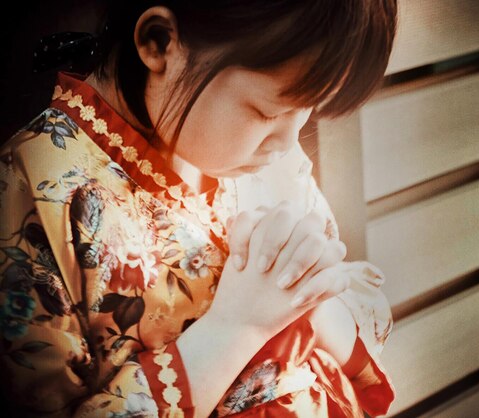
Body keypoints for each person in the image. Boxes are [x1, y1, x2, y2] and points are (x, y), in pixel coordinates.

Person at [0, 1, 397, 417]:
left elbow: (344, 291)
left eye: (307, 111)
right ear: (160, 43)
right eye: (267, 112)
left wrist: (314, 301)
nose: (287, 141)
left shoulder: (270, 160)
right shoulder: (29, 188)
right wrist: (236, 328)